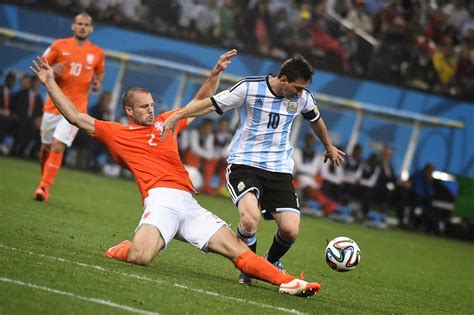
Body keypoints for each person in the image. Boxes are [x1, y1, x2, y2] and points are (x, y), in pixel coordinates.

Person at [30, 51, 320, 297]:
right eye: (145, 106)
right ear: (129, 110)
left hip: (189, 204)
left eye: (153, 104)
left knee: (239, 252)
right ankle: (122, 249)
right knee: (141, 257)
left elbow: (200, 101)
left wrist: (216, 72)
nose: (152, 110)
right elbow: (75, 117)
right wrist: (50, 82)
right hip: (161, 201)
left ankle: (291, 282)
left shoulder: (165, 123)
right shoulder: (115, 132)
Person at [162, 56, 345, 285]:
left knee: (290, 231)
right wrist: (177, 115)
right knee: (250, 220)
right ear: (283, 79)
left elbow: (316, 120)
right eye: (297, 88)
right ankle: (247, 268)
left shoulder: (303, 98)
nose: (300, 94)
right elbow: (211, 103)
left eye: (303, 89)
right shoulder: (249, 87)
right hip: (244, 164)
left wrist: (328, 146)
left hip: (279, 170)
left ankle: (267, 263)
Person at [33, 12, 105, 202]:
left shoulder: (97, 53)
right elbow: (41, 68)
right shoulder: (58, 45)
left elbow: (99, 76)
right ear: (73, 26)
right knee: (46, 147)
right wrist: (51, 72)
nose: (82, 27)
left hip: (76, 110)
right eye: (79, 23)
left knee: (58, 145)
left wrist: (97, 84)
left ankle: (44, 187)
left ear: (91, 29)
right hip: (53, 105)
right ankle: (44, 179)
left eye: (86, 24)